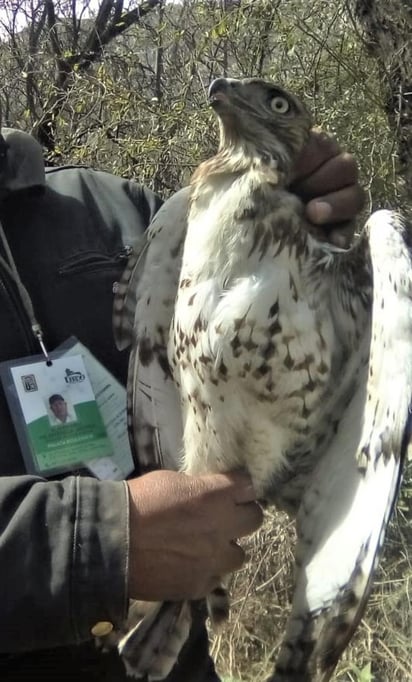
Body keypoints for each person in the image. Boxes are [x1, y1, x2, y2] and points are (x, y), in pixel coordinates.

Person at [0, 126, 363, 682]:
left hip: (175, 660)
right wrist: (98, 544)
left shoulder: (111, 209)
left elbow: (275, 374)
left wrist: (305, 241)